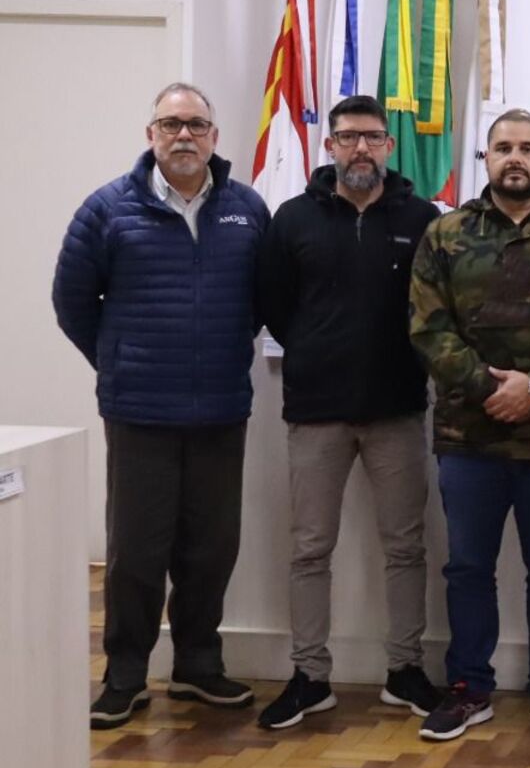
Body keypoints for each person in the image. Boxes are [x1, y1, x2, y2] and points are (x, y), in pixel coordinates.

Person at [53, 83, 268, 729]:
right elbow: (71, 302)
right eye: (170, 123)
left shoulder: (246, 210)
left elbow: (263, 300)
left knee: (211, 546)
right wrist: (119, 362)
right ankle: (125, 673)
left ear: (214, 137)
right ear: (150, 134)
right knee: (137, 549)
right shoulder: (108, 209)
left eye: (196, 124)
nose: (183, 135)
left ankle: (199, 662)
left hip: (221, 410)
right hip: (140, 410)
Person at [408, 109, 530, 743]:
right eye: (502, 148)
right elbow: (428, 328)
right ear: (486, 159)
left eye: (528, 148)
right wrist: (491, 388)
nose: (514, 158)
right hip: (471, 437)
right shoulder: (445, 234)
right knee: (468, 566)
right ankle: (469, 686)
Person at [253, 96, 441, 729]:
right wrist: (317, 348)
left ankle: (404, 670)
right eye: (348, 138)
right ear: (328, 146)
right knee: (309, 548)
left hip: (397, 409)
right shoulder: (292, 219)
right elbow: (276, 306)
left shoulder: (422, 218)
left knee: (406, 547)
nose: (361, 148)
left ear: (389, 146)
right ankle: (310, 675)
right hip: (316, 411)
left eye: (373, 138)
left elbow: (437, 307)